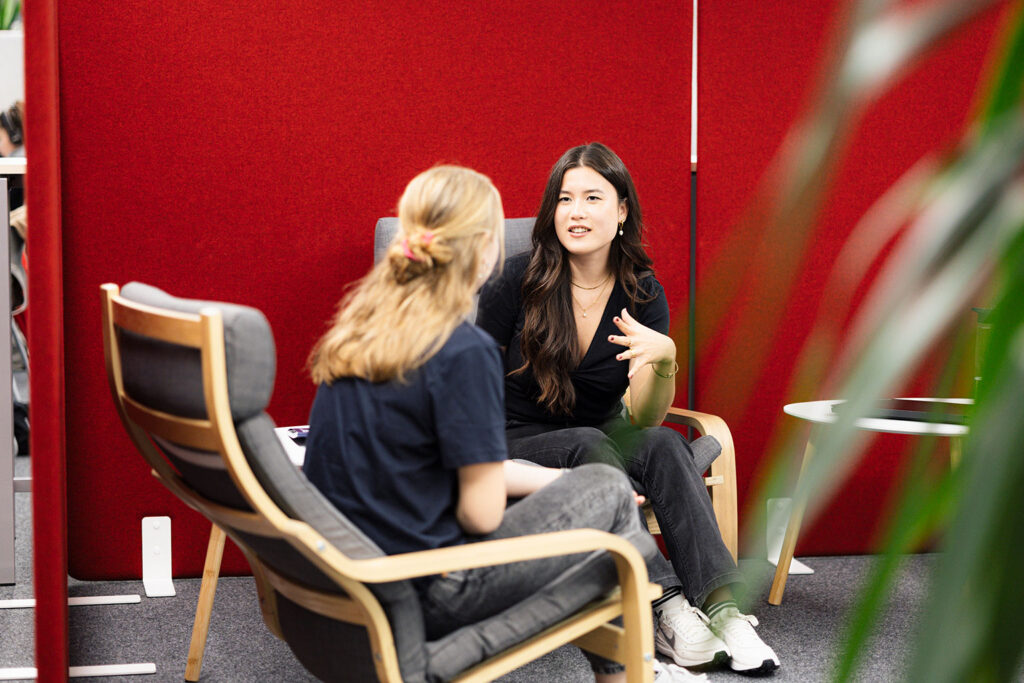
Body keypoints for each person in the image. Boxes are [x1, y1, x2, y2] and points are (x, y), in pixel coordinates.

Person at [302, 165, 701, 682]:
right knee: (607, 502)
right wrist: (589, 501)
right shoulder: (460, 349)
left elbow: (426, 465)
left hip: (350, 583)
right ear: (487, 246)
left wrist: (564, 487)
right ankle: (639, 664)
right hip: (431, 590)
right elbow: (481, 512)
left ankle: (635, 666)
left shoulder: (358, 334)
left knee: (598, 495)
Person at [477, 143, 780, 675]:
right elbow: (468, 375)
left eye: (593, 197)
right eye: (565, 198)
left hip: (605, 432)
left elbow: (644, 420)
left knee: (665, 444)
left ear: (620, 212)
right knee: (591, 442)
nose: (576, 211)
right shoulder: (517, 279)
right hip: (517, 436)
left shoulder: (643, 292)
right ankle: (662, 604)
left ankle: (723, 612)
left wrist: (665, 360)